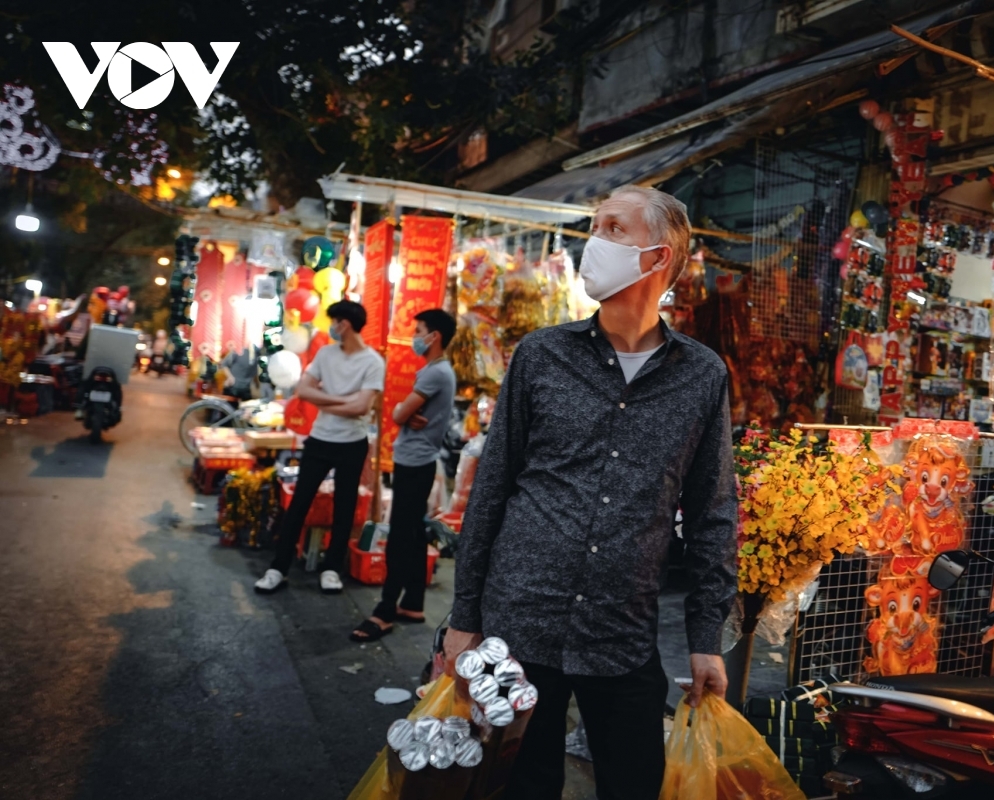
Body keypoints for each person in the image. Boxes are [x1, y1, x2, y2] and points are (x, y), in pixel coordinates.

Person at [446, 185, 738, 800]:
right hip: (518, 622)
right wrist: (463, 617)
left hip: (622, 633)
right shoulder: (542, 355)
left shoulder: (702, 375)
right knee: (516, 788)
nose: (594, 241)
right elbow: (492, 486)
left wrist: (705, 638)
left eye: (613, 228)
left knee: (633, 783)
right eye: (595, 225)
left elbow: (713, 510)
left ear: (657, 258)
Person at [255, 300, 385, 596]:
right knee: (299, 503)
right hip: (320, 439)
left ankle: (331, 569)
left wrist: (326, 397)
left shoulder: (373, 362)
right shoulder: (326, 354)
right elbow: (303, 390)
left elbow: (363, 406)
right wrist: (343, 401)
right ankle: (278, 567)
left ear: (345, 324)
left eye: (335, 322)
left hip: (352, 443)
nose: (332, 328)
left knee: (344, 507)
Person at [351, 308, 458, 642]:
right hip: (419, 460)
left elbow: (399, 412)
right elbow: (406, 413)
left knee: (400, 536)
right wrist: (406, 415)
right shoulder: (440, 371)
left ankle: (384, 611)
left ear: (434, 335)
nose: (415, 336)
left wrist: (403, 415)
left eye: (419, 330)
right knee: (411, 533)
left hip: (414, 462)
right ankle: (412, 602)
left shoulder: (434, 373)